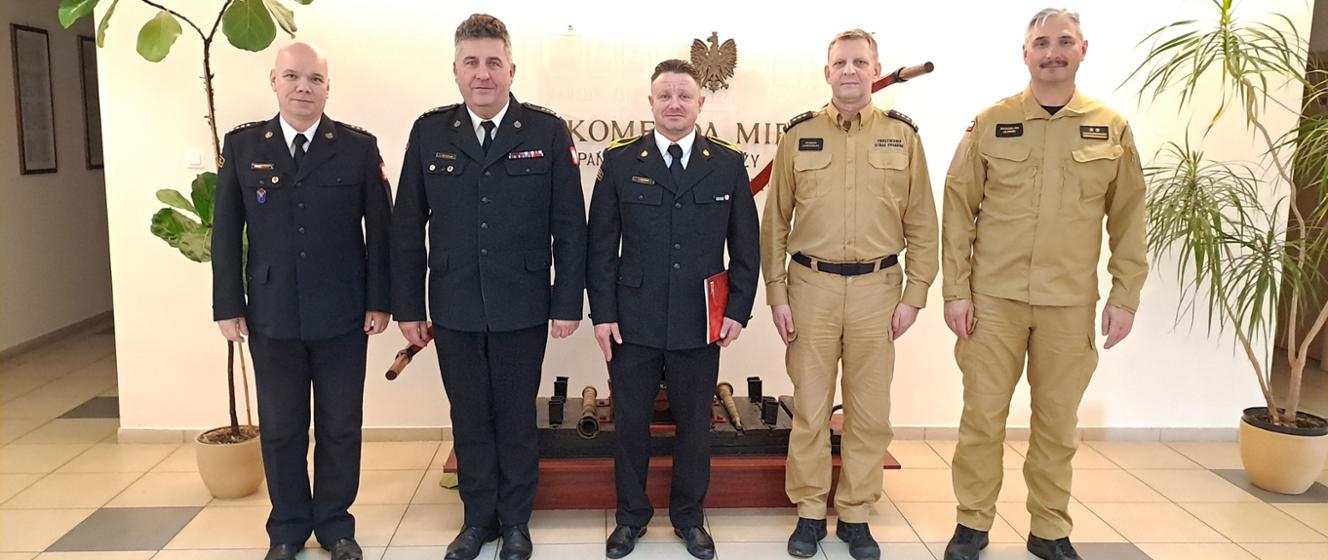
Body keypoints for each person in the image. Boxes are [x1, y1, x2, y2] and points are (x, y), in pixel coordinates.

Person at [939, 9, 1147, 560]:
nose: (1053, 52)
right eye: (1042, 43)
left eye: (1064, 42)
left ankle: (1049, 529)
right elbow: (958, 209)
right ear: (1025, 53)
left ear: (1083, 50)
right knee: (982, 419)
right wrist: (956, 290)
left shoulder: (1111, 127)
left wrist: (1125, 295)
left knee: (1057, 425)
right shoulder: (990, 122)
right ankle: (972, 523)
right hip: (994, 301)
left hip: (1069, 303)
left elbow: (1130, 218)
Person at [390, 13, 587, 560]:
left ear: (511, 70)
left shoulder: (545, 131)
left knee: (517, 416)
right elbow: (407, 226)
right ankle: (478, 520)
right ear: (455, 70)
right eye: (472, 62)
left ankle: (516, 521)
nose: (483, 73)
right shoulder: (430, 132)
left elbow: (570, 225)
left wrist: (567, 302)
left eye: (493, 63)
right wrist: (408, 306)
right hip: (453, 305)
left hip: (523, 303)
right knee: (469, 417)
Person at [761, 28, 939, 560]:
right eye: (840, 62)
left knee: (869, 411)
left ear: (875, 70)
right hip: (810, 288)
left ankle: (857, 514)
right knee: (811, 408)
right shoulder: (798, 135)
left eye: (860, 62)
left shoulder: (902, 136)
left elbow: (922, 221)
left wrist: (915, 293)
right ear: (827, 72)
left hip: (877, 292)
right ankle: (810, 510)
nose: (850, 71)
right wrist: (777, 293)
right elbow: (775, 223)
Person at [211, 42, 391, 560]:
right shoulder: (243, 146)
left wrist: (380, 300)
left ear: (328, 87)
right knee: (282, 427)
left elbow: (380, 231)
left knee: (340, 426)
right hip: (271, 313)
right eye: (292, 76)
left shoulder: (357, 147)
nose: (303, 87)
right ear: (274, 81)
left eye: (314, 79)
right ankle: (288, 528)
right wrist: (228, 304)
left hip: (343, 312)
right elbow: (226, 233)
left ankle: (336, 526)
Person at [586, 58, 759, 560]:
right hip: (632, 320)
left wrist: (738, 310)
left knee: (695, 427)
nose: (675, 104)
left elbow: (745, 248)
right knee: (630, 426)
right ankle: (630, 518)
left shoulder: (726, 163)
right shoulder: (621, 162)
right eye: (665, 95)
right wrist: (603, 314)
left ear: (700, 102)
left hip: (700, 320)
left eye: (685, 95)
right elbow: (601, 247)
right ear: (651, 102)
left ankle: (689, 517)